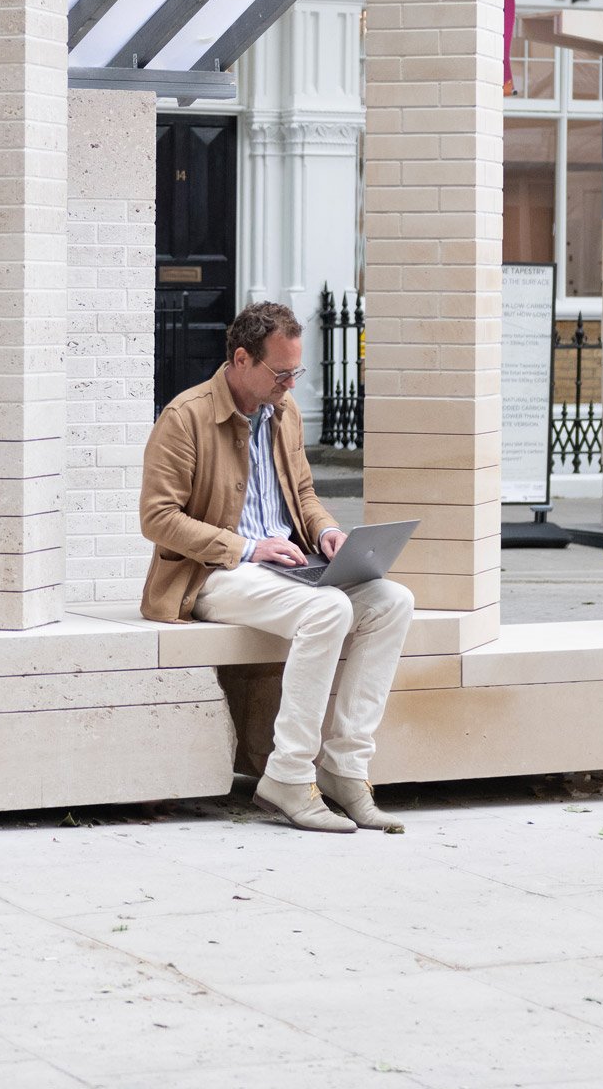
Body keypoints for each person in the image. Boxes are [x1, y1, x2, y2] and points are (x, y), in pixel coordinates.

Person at [137, 301, 416, 833]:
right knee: (329, 609)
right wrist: (247, 547)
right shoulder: (185, 417)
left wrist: (327, 531)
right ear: (242, 359)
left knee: (391, 601)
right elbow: (157, 517)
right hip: (210, 574)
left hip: (286, 571)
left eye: (296, 372)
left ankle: (344, 769)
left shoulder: (282, 414)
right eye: (281, 373)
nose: (290, 385)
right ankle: (288, 776)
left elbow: (305, 495)